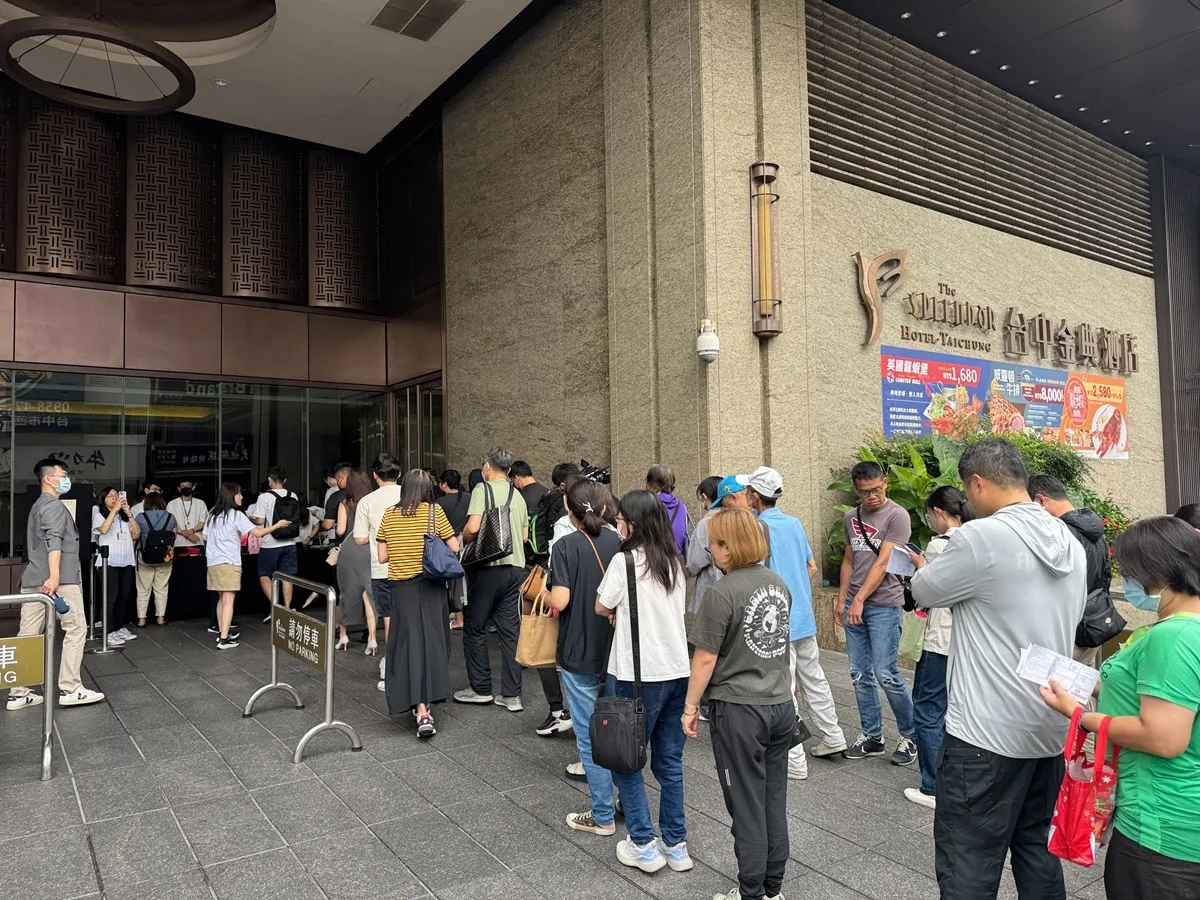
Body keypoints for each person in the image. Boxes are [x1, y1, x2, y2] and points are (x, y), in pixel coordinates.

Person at [908, 438, 1086, 900]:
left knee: (968, 860)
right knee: (1037, 850)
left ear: (977, 483)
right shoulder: (1069, 542)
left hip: (984, 734)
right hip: (1048, 726)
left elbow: (923, 590)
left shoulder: (981, 537)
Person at [1039, 516, 1200, 900]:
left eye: (1128, 572)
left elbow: (1164, 737)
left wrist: (1080, 716)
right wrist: (1094, 683)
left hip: (1161, 829)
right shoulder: (1186, 628)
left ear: (1154, 570)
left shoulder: (1173, 636)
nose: (1126, 581)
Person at [682, 507, 793, 900]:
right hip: (780, 703)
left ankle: (751, 892)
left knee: (746, 806)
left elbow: (705, 659)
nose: (710, 549)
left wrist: (690, 707)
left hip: (740, 709)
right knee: (772, 801)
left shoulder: (721, 593)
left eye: (714, 543)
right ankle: (772, 888)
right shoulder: (778, 584)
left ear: (728, 547)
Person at [595, 489, 692, 873]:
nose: (618, 526)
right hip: (678, 672)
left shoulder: (624, 561)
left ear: (632, 524)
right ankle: (676, 845)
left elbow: (601, 605)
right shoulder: (674, 562)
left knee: (627, 761)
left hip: (638, 677)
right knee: (669, 762)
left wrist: (617, 611)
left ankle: (643, 845)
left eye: (620, 521)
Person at [745, 466, 847, 776]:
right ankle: (833, 735)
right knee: (814, 677)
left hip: (775, 620)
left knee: (783, 688)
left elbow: (754, 574)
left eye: (749, 491)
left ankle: (794, 760)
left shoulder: (757, 528)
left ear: (754, 495)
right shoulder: (794, 523)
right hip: (802, 614)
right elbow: (810, 566)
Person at [545, 478, 621, 835]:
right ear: (606, 507)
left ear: (568, 509)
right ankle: (625, 800)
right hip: (617, 649)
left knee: (590, 735)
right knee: (620, 728)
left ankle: (602, 814)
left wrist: (542, 593)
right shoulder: (621, 543)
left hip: (578, 648)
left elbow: (560, 600)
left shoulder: (565, 546)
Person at [6, 459, 104, 710]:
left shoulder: (38, 506)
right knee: (76, 629)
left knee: (28, 634)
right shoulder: (53, 506)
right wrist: (55, 576)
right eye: (63, 475)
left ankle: (18, 693)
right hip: (60, 580)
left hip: (34, 579)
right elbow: (54, 541)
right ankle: (70, 688)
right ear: (48, 479)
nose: (67, 479)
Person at [838, 460, 916, 765]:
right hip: (854, 604)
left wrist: (859, 599)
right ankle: (872, 736)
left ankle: (911, 735)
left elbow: (883, 562)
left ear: (885, 482)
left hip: (884, 604)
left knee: (887, 673)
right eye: (864, 492)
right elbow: (848, 560)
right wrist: (843, 600)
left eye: (876, 489)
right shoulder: (850, 517)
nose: (872, 496)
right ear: (855, 490)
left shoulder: (897, 516)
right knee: (859, 674)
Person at [903, 485, 973, 810]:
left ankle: (932, 786)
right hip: (966, 642)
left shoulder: (938, 545)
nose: (930, 520)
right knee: (952, 710)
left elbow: (925, 593)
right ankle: (953, 780)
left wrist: (920, 565)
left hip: (940, 640)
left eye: (930, 515)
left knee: (928, 709)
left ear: (939, 513)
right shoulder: (975, 540)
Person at [376, 469, 459, 738]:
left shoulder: (390, 515)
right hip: (431, 587)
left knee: (407, 644)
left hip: (402, 589)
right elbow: (454, 547)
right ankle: (426, 706)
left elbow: (382, 556)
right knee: (433, 642)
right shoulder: (434, 513)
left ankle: (418, 706)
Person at [455, 447, 529, 709]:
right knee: (510, 633)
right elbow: (523, 537)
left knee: (475, 627)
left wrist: (463, 538)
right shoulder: (517, 494)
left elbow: (474, 527)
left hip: (488, 568)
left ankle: (481, 688)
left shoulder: (481, 489)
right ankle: (512, 695)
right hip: (516, 569)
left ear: (487, 466)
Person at [1029, 473, 1111, 668]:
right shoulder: (1095, 532)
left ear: (1040, 500)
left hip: (1067, 632)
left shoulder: (1059, 534)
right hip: (1093, 625)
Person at [202, 483, 290, 649]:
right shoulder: (236, 515)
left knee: (221, 599)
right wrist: (278, 525)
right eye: (239, 494)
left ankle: (222, 633)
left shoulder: (212, 515)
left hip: (213, 562)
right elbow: (257, 532)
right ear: (231, 496)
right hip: (229, 562)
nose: (241, 497)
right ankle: (223, 640)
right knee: (229, 599)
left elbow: (204, 537)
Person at [355, 454, 404, 687]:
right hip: (412, 567)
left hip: (382, 569)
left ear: (375, 476)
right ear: (399, 474)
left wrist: (377, 536)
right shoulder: (411, 496)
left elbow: (359, 538)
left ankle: (393, 667)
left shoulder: (367, 501)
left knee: (389, 618)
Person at [249, 466, 301, 620]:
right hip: (290, 542)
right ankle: (287, 609)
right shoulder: (293, 495)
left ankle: (276, 607)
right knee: (287, 576)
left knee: (264, 574)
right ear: (285, 480)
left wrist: (250, 518)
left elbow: (260, 521)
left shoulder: (265, 497)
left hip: (270, 543)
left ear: (269, 480)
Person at [91, 487, 139, 646]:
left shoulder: (124, 517)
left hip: (126, 561)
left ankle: (119, 627)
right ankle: (108, 631)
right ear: (103, 500)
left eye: (116, 495)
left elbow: (136, 534)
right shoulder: (99, 515)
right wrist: (114, 511)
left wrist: (129, 513)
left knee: (123, 597)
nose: (114, 498)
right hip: (108, 562)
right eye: (110, 496)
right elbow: (104, 530)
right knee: (110, 598)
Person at [335, 469, 375, 652]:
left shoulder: (345, 503)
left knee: (346, 592)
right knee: (368, 594)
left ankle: (343, 635)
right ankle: (372, 639)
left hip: (350, 550)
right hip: (369, 549)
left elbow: (340, 531)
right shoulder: (372, 502)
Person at [166, 477, 208, 627]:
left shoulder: (200, 503)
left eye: (188, 485)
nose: (185, 488)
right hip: (178, 544)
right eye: (183, 486)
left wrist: (191, 531)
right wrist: (183, 533)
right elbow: (170, 522)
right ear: (179, 489)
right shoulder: (172, 504)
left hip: (197, 542)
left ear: (193, 487)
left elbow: (203, 521)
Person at [134, 491, 177, 628]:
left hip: (145, 557)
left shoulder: (140, 517)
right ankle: (160, 618)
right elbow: (174, 536)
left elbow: (135, 535)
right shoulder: (171, 517)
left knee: (143, 589)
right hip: (165, 558)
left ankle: (141, 620)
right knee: (162, 588)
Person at [686, 475, 723, 615]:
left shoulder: (706, 523)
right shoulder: (736, 518)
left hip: (712, 584)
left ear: (704, 495)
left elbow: (695, 561)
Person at [647, 464, 689, 555]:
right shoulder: (682, 507)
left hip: (656, 558)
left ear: (652, 484)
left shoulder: (649, 505)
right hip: (678, 559)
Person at [320, 462, 353, 532]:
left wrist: (322, 525)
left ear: (341, 478)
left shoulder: (335, 497)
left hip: (344, 536)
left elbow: (328, 525)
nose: (338, 483)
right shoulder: (362, 492)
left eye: (337, 480)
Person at [436, 469, 471, 535]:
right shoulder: (470, 497)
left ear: (445, 484)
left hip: (449, 537)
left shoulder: (440, 502)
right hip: (467, 536)